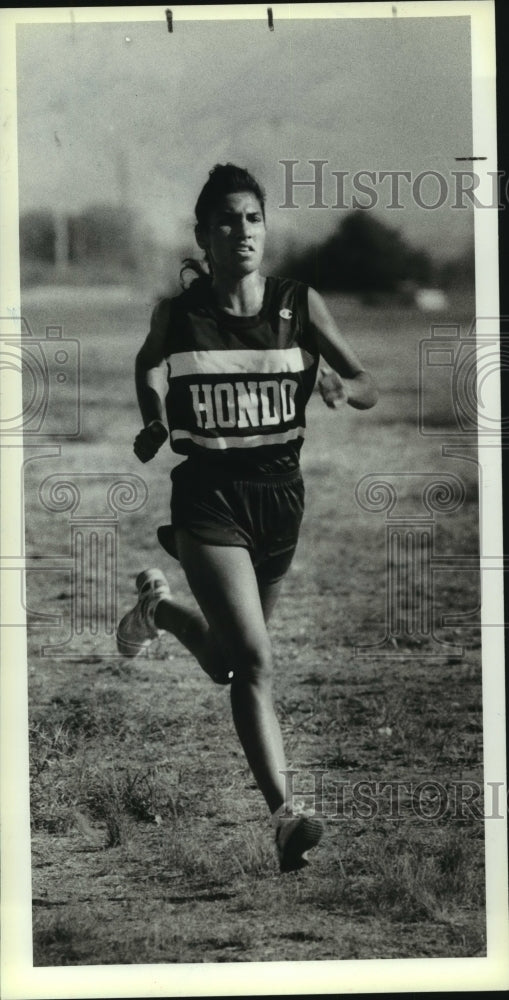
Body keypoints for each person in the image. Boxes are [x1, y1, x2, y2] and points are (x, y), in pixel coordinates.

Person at [117, 163, 378, 873]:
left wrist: (333, 383)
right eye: (226, 220)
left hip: (280, 499)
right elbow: (147, 366)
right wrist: (151, 420)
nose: (241, 231)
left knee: (230, 664)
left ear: (265, 228)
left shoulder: (299, 304)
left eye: (252, 218)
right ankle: (286, 816)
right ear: (203, 234)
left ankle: (159, 612)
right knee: (258, 663)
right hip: (208, 498)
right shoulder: (177, 315)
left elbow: (367, 385)